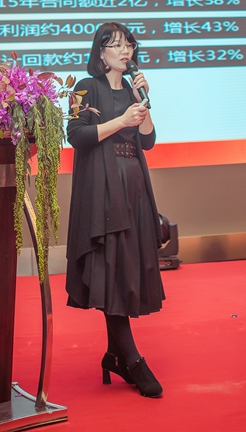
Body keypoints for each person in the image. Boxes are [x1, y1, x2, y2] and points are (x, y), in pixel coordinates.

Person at [65, 22, 165, 397]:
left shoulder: (133, 88)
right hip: (102, 188)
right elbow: (76, 135)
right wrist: (120, 121)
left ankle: (114, 355)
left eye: (129, 45)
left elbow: (148, 140)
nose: (125, 51)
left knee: (123, 269)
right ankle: (133, 360)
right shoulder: (84, 87)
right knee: (111, 268)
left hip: (134, 185)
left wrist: (143, 103)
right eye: (117, 45)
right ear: (100, 52)